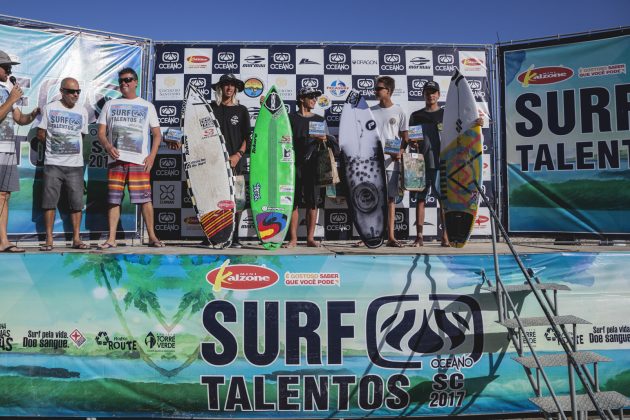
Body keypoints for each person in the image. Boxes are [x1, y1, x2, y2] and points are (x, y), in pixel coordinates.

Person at [409, 80, 483, 247]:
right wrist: (412, 144)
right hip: (420, 164)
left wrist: (476, 124)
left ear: (439, 95)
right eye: (427, 92)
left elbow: (462, 128)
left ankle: (445, 236)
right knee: (420, 200)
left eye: (433, 92)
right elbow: (412, 140)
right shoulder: (415, 116)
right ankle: (419, 237)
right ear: (423, 94)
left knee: (443, 201)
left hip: (442, 163)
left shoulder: (446, 115)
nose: (430, 95)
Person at [97, 67, 163, 249]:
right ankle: (111, 238)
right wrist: (108, 146)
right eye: (121, 81)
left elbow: (157, 134)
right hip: (115, 161)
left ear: (135, 82)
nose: (124, 83)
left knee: (145, 199)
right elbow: (101, 133)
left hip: (139, 161)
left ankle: (152, 237)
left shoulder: (147, 106)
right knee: (113, 199)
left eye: (128, 80)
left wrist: (152, 156)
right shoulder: (110, 105)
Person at [36, 77, 89, 251]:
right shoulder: (50, 109)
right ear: (62, 92)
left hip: (75, 165)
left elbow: (82, 135)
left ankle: (76, 239)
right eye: (71, 91)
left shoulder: (82, 111)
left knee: (76, 203)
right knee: (49, 202)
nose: (75, 95)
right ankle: (49, 239)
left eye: (78, 92)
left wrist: (69, 146)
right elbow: (40, 133)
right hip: (53, 164)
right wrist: (55, 146)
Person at [285, 86, 337, 248]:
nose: (315, 100)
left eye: (316, 97)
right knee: (293, 203)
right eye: (311, 97)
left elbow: (330, 142)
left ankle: (310, 238)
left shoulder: (320, 120)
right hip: (293, 165)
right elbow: (283, 139)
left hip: (314, 166)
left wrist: (324, 138)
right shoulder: (290, 118)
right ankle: (293, 239)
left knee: (312, 202)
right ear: (302, 98)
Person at [0, 50, 40, 253]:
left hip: (8, 149)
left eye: (10, 67)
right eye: (6, 67)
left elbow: (19, 119)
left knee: (4, 195)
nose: (9, 71)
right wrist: (11, 98)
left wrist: (33, 113)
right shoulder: (7, 93)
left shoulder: (7, 91)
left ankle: (3, 242)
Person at [210, 73, 250, 248]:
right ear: (220, 87)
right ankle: (213, 235)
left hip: (236, 162)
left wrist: (238, 155)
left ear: (236, 88)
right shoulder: (211, 108)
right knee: (212, 199)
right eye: (225, 84)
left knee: (237, 199)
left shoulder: (242, 110)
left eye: (232, 85)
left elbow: (248, 138)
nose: (229, 88)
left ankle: (234, 237)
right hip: (213, 162)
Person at [369, 76, 408, 247]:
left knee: (391, 199)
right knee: (373, 199)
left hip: (392, 162)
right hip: (372, 163)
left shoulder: (399, 111)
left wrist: (400, 150)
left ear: (388, 91)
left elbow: (404, 137)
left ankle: (391, 237)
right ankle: (372, 235)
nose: (375, 91)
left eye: (379, 88)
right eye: (376, 88)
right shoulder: (370, 111)